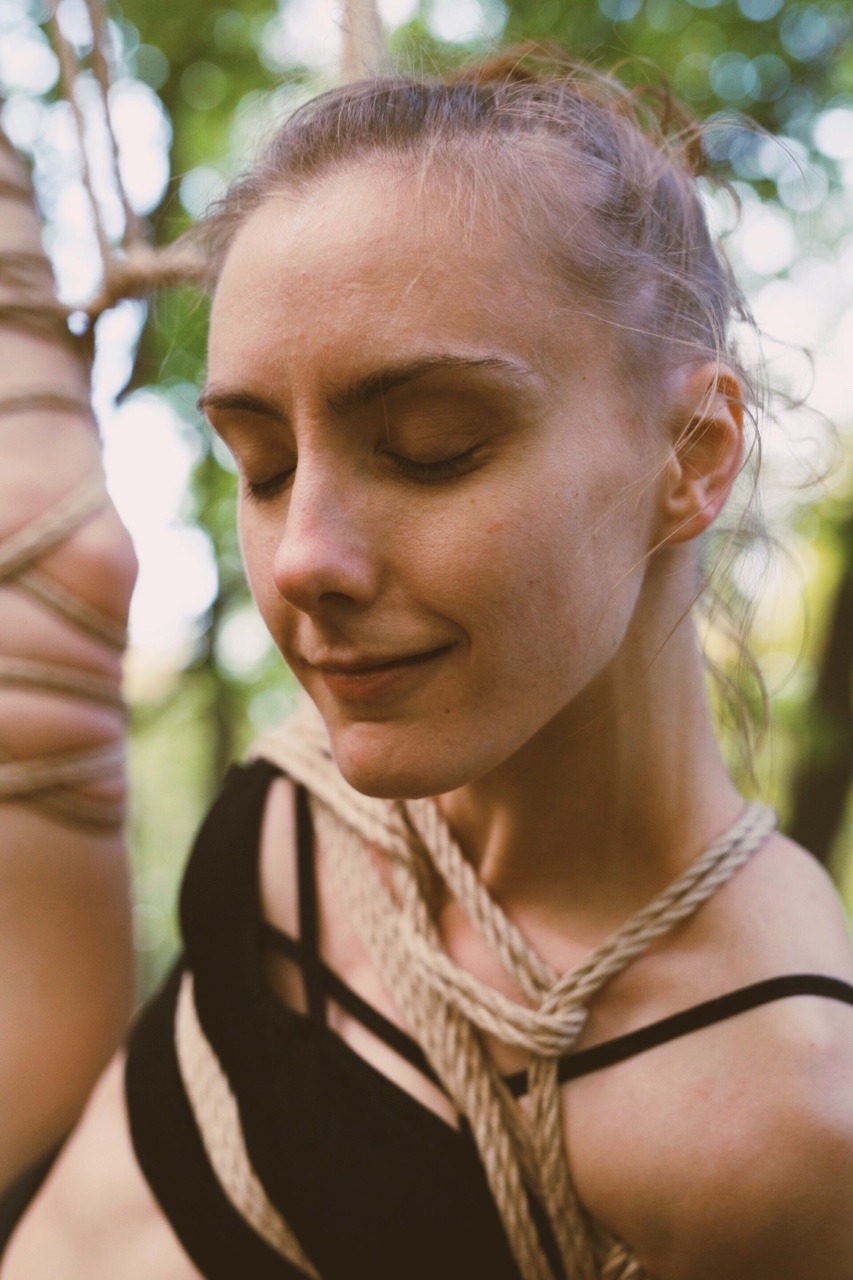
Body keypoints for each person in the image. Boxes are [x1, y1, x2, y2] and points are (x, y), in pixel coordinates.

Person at [1, 47, 852, 1280]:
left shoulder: (770, 1118)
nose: (299, 560)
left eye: (431, 448)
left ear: (696, 452)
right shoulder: (348, 772)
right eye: (262, 466)